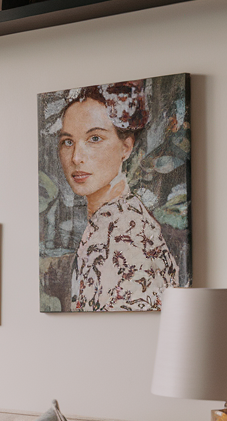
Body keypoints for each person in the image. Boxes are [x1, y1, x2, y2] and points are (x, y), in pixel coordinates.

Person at [57, 81, 178, 311]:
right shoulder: (108, 220)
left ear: (126, 147)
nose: (76, 157)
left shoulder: (126, 231)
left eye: (94, 138)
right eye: (68, 142)